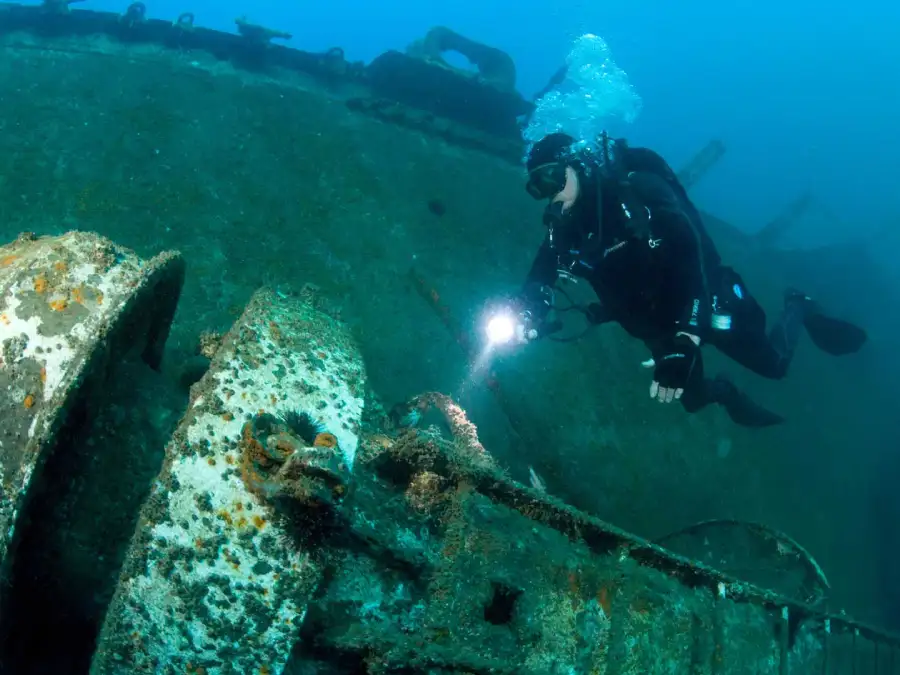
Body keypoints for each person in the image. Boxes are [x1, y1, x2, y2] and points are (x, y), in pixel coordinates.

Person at [511, 131, 867, 427]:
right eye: (538, 187)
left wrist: (687, 336)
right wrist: (529, 309)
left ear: (579, 165)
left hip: (707, 301)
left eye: (554, 178)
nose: (551, 193)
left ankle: (798, 305)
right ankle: (726, 393)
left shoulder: (641, 192)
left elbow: (692, 259)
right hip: (658, 325)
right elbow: (540, 273)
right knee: (691, 399)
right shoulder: (566, 228)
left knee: (774, 365)